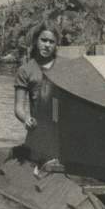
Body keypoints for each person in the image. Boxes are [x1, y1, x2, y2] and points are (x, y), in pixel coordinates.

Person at [13, 20, 63, 173]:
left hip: (63, 130)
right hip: (39, 129)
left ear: (56, 45)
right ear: (36, 41)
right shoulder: (26, 70)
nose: (47, 45)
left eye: (51, 42)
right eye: (43, 40)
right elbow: (18, 108)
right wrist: (26, 119)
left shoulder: (66, 67)